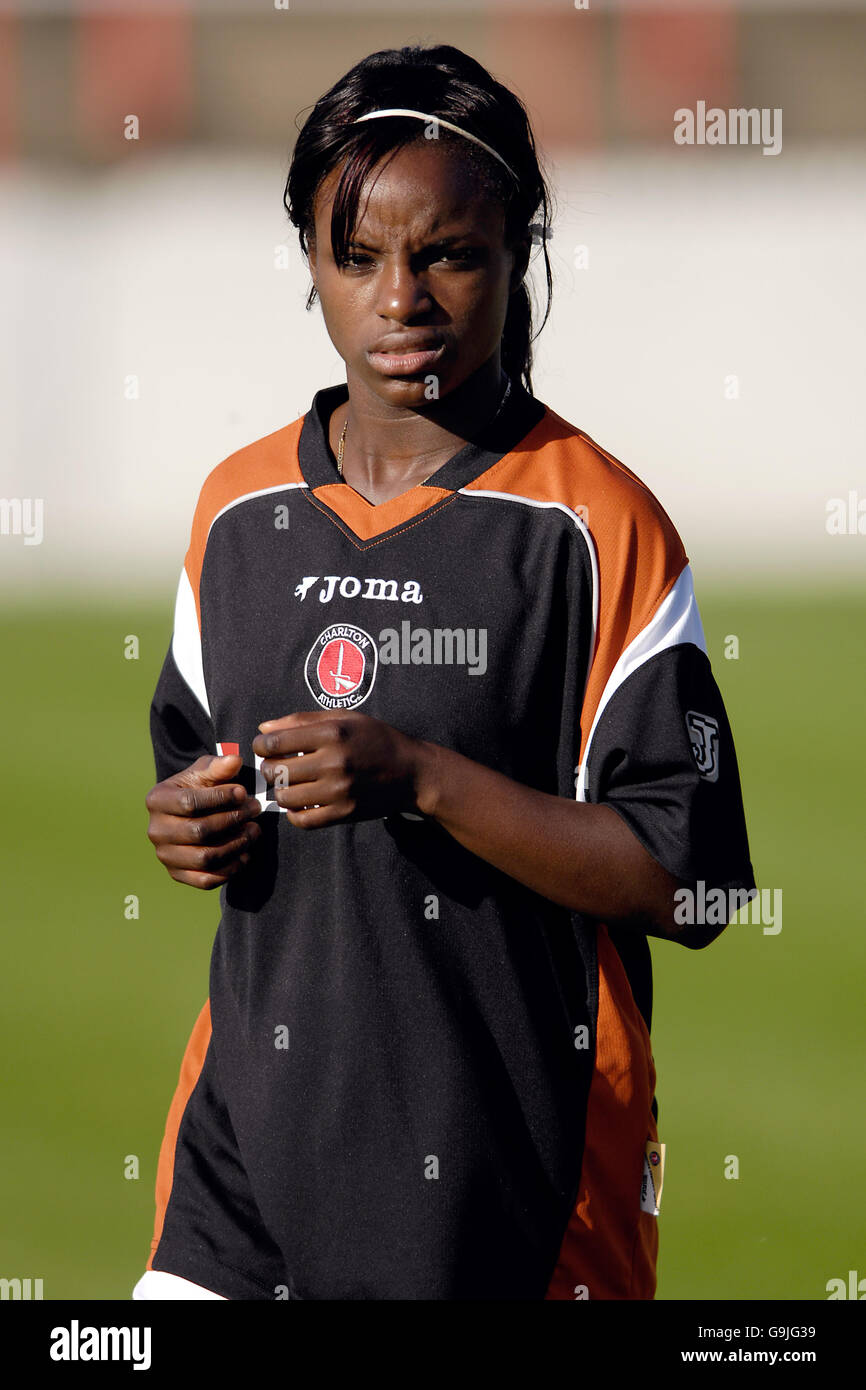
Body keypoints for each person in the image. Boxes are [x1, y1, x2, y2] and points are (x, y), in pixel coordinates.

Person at [132, 43, 754, 1302]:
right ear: (309, 260)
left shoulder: (592, 528)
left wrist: (417, 775)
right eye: (354, 256)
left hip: (503, 1196)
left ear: (515, 248)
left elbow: (689, 884)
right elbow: (200, 774)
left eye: (447, 254)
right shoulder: (236, 509)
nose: (398, 297)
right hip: (239, 1179)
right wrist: (192, 827)